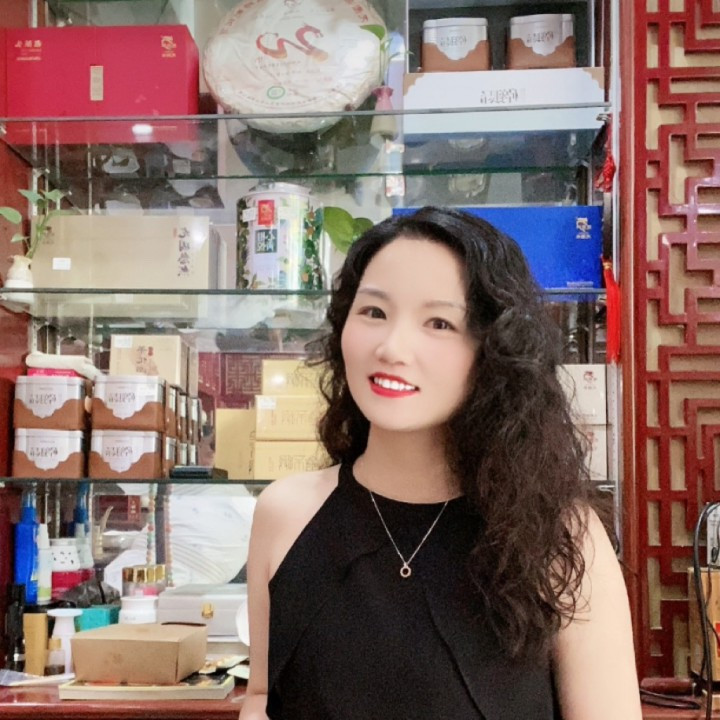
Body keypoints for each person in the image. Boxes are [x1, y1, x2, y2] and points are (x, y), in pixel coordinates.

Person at [240, 206, 642, 720]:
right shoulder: (284, 513)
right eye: (374, 312)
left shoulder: (559, 537)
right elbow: (261, 698)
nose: (392, 347)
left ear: (495, 351)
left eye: (439, 322)